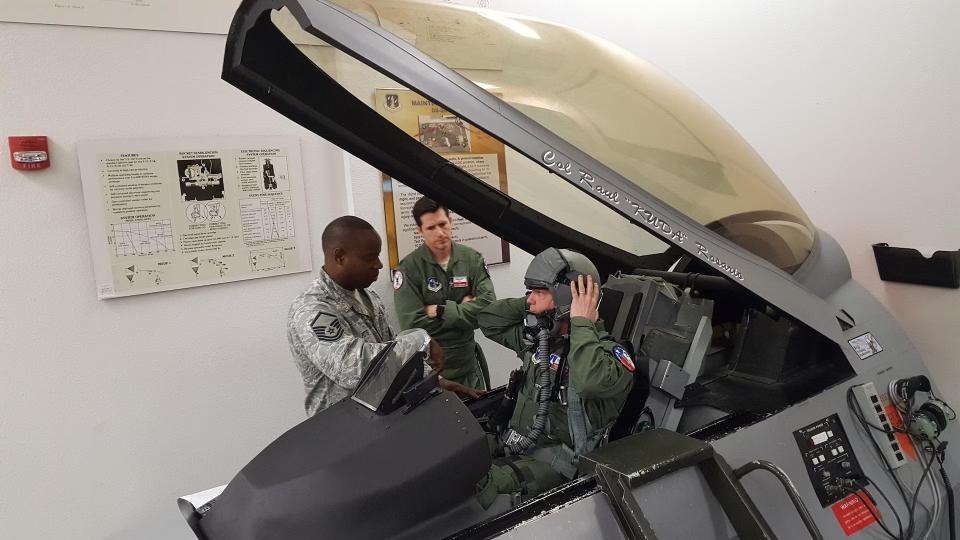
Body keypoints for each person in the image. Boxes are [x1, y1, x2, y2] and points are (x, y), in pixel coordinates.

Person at [474, 248, 635, 508]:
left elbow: (588, 381)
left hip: (554, 466)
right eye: (531, 292)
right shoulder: (541, 341)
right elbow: (487, 320)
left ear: (567, 297)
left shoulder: (612, 357)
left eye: (539, 292)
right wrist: (530, 304)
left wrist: (581, 321)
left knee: (477, 492)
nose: (531, 300)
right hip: (513, 443)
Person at [287, 215, 480, 417]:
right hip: (340, 433)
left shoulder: (369, 297)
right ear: (340, 257)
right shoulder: (312, 309)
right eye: (369, 257)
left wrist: (434, 382)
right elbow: (352, 367)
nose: (379, 264)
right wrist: (421, 340)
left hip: (379, 423)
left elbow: (391, 353)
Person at [393, 197, 496, 390]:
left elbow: (489, 310)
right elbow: (413, 327)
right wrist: (465, 311)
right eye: (431, 228)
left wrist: (440, 310)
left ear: (451, 222)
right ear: (420, 231)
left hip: (468, 366)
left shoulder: (472, 259)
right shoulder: (409, 269)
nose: (440, 233)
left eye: (443, 224)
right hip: (433, 373)